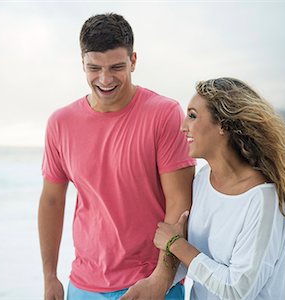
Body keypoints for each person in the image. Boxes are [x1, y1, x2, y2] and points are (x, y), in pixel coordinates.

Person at [38, 13, 196, 300]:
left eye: (117, 67)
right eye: (94, 68)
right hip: (83, 285)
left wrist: (162, 278)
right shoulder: (60, 123)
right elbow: (52, 199)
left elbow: (180, 202)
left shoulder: (164, 114)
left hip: (151, 284)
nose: (105, 79)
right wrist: (50, 277)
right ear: (82, 63)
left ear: (133, 61)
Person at [153, 77, 285, 300]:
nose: (183, 126)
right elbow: (197, 262)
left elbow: (237, 290)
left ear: (223, 124)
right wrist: (155, 281)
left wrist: (176, 244)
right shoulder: (204, 179)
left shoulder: (264, 199)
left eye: (193, 116)